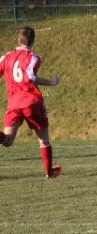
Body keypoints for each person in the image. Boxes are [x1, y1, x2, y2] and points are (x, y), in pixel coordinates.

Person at [0, 26, 62, 178]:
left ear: (18, 39)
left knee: (7, 140)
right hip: (30, 102)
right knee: (44, 140)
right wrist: (51, 82)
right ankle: (49, 173)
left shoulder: (6, 57)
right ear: (33, 40)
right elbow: (30, 77)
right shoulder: (33, 57)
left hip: (14, 104)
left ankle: (50, 171)